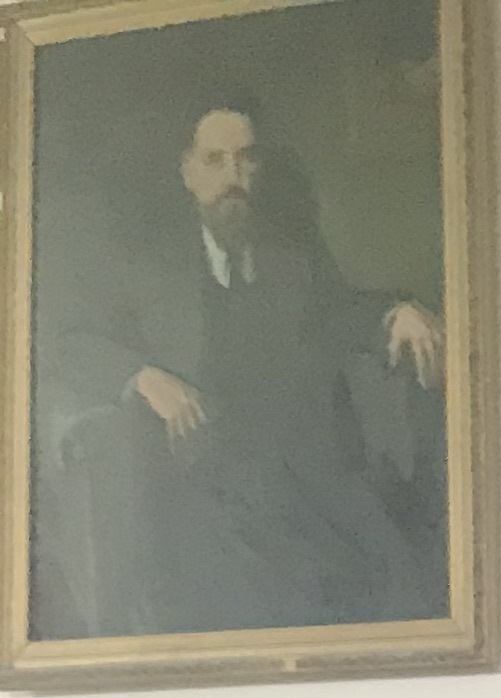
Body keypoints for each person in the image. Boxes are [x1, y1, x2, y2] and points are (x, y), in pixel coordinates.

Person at [36, 95, 450, 637]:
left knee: (399, 581)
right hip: (202, 485)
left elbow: (340, 311)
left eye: (246, 160)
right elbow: (69, 342)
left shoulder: (289, 256)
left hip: (305, 475)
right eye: (215, 160)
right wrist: (143, 376)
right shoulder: (147, 267)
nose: (233, 177)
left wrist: (396, 313)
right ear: (188, 172)